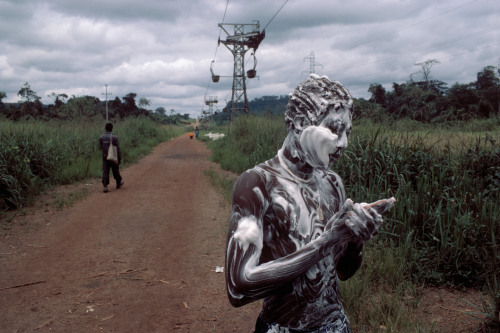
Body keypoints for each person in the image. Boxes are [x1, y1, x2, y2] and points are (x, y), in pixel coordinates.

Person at [225, 75, 394, 333]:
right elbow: (238, 288)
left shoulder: (332, 183)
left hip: (337, 325)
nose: (344, 143)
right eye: (335, 130)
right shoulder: (258, 184)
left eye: (348, 133)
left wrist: (356, 240)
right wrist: (325, 242)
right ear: (301, 123)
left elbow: (342, 272)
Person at [99, 122, 124, 193]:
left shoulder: (101, 137)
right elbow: (118, 149)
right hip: (113, 156)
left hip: (105, 157)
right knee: (115, 170)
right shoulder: (114, 137)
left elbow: (100, 147)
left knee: (105, 171)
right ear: (112, 129)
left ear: (105, 128)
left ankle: (105, 186)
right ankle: (118, 183)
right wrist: (119, 158)